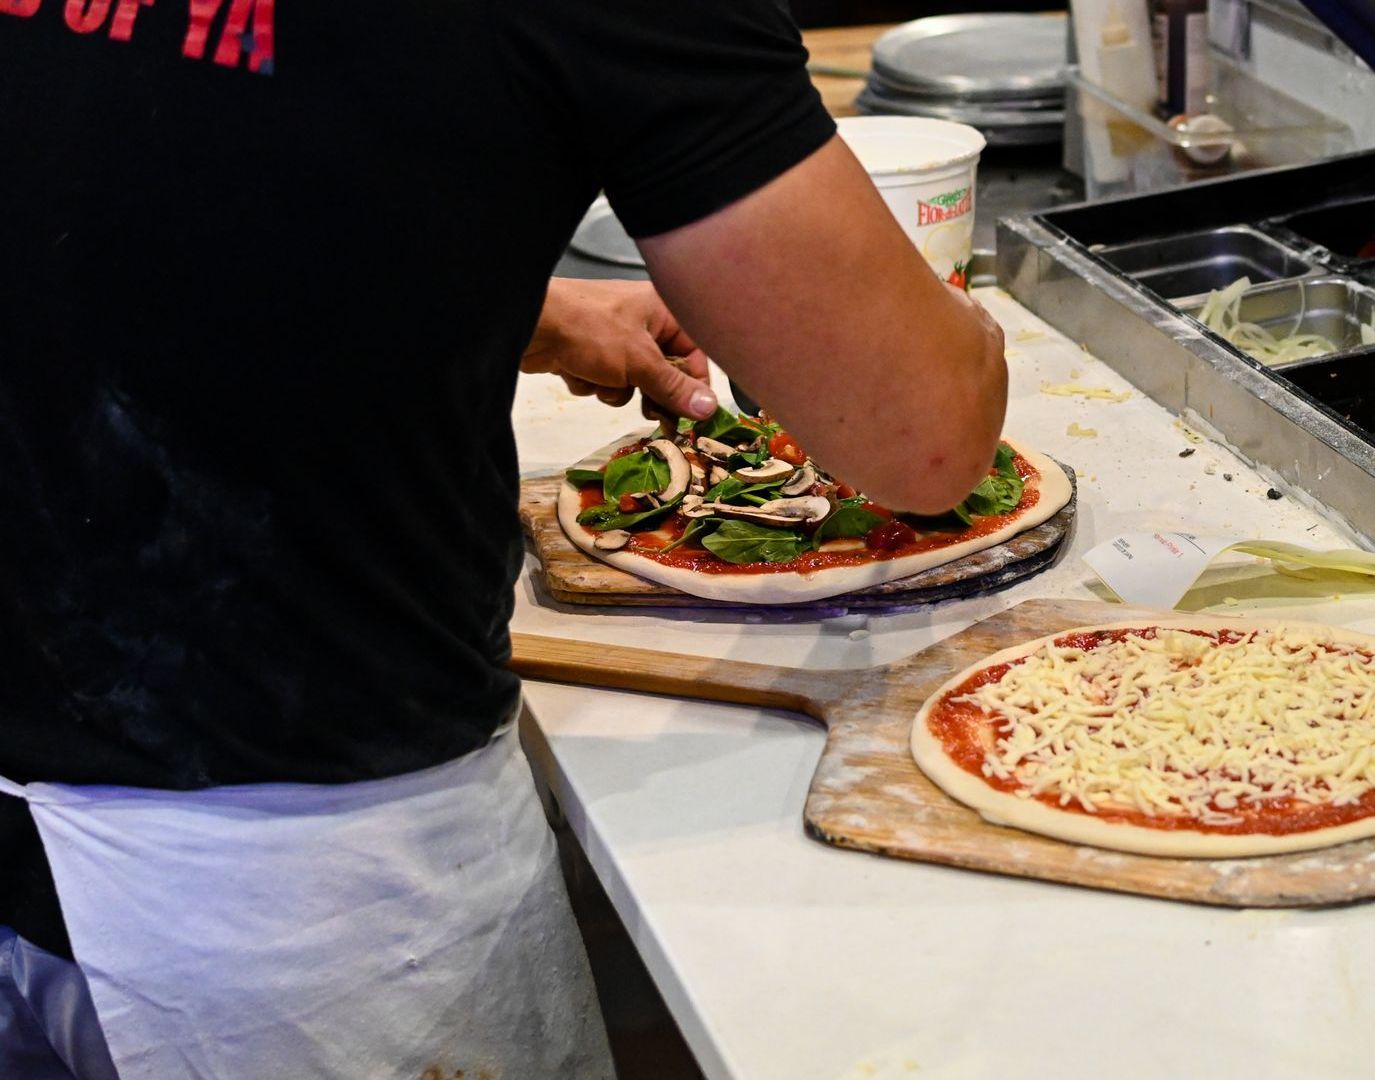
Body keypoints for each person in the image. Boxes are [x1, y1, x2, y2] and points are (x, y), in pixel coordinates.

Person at [0, 2, 1007, 1076]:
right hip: (290, 887)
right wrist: (974, 336)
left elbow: (142, 147)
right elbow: (923, 441)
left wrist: (502, 304)